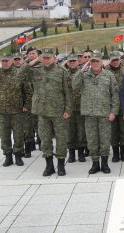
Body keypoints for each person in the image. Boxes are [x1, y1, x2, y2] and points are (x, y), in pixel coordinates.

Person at [18, 48, 72, 176]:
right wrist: (33, 61)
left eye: (49, 57)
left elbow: (68, 93)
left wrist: (68, 110)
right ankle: (49, 166)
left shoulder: (62, 71)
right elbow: (19, 76)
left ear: (54, 58)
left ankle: (60, 165)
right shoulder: (35, 71)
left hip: (59, 111)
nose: (46, 60)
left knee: (61, 139)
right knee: (45, 139)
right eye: (44, 57)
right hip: (42, 112)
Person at [73, 52, 119, 174]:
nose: (94, 63)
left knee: (105, 140)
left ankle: (104, 164)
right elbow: (74, 86)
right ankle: (95, 164)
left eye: (97, 61)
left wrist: (113, 111)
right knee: (92, 141)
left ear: (102, 63)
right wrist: (81, 70)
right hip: (89, 114)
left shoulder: (108, 75)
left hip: (105, 114)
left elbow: (115, 94)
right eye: (92, 61)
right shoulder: (84, 75)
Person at [106, 51, 124, 162]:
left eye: (117, 59)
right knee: (112, 131)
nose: (115, 62)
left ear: (120, 59)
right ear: (110, 60)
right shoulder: (105, 71)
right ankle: (115, 153)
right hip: (109, 107)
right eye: (113, 60)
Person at [64, 53, 87, 163]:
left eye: (74, 61)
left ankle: (81, 153)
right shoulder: (63, 74)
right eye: (70, 61)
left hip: (81, 107)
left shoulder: (83, 73)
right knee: (69, 132)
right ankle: (72, 154)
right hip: (68, 109)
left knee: (81, 132)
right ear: (67, 63)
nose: (72, 63)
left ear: (78, 62)